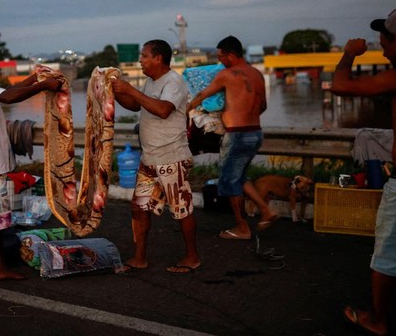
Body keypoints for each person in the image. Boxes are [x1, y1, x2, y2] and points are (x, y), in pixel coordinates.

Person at [330, 7, 396, 335]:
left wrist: (349, 54)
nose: (381, 48)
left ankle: (377, 320)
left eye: (384, 42)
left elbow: (339, 85)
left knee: (387, 259)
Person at [0, 43, 62, 285]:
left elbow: (9, 90)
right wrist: (44, 85)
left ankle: (0, 268)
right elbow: (9, 97)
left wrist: (34, 77)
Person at [111, 39, 201, 273]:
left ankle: (192, 257)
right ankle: (140, 257)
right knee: (139, 208)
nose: (140, 60)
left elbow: (163, 110)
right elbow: (135, 106)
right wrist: (116, 90)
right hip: (149, 159)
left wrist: (130, 89)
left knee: (181, 210)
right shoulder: (150, 82)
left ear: (158, 58)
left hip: (172, 156)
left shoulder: (175, 82)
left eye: (144, 56)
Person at [187, 35, 278, 240]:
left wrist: (186, 108)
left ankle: (242, 227)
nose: (219, 60)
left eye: (220, 56)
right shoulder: (257, 74)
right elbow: (262, 105)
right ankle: (266, 210)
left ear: (230, 55)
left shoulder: (226, 74)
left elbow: (203, 95)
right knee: (239, 176)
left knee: (227, 181)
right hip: (255, 133)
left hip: (238, 135)